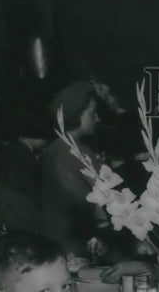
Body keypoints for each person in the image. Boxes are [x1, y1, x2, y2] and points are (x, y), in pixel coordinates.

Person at [41, 81, 110, 252]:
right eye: (92, 113)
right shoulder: (78, 151)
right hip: (80, 245)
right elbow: (101, 205)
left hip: (55, 241)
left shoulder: (52, 149)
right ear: (77, 115)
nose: (97, 118)